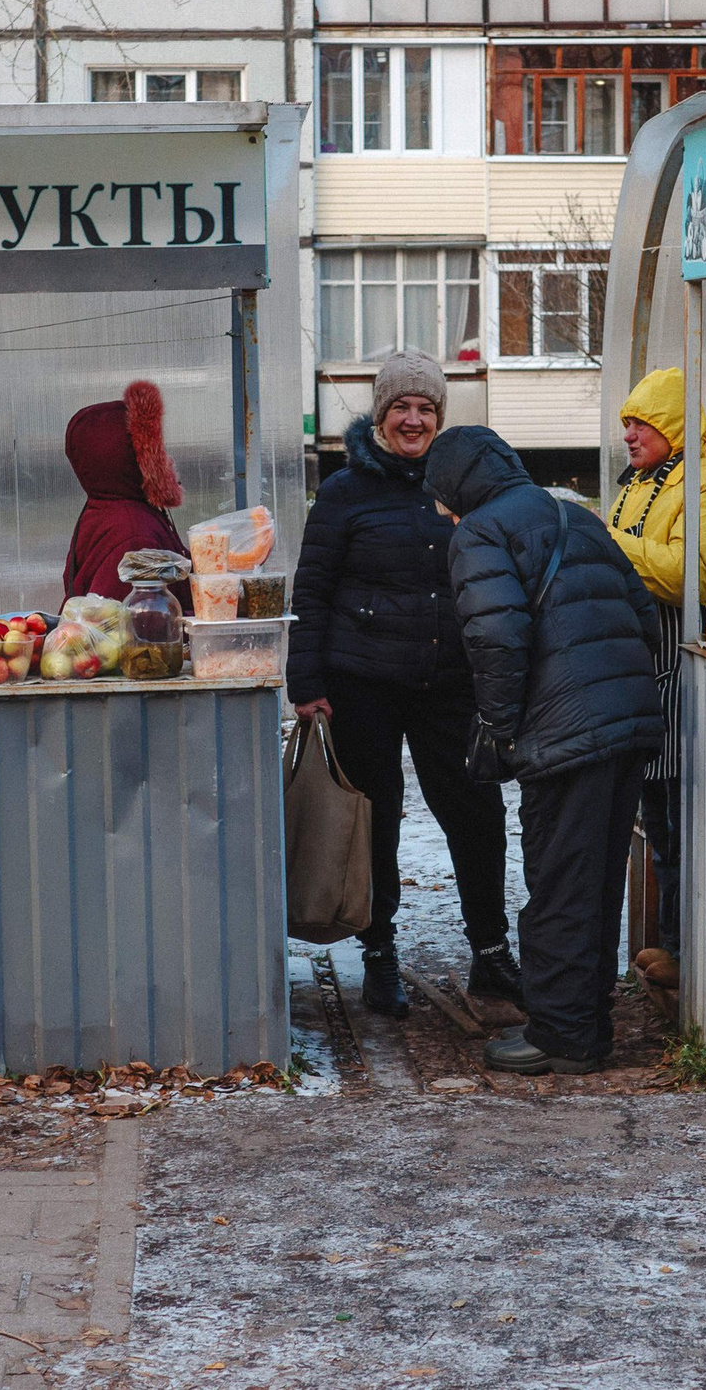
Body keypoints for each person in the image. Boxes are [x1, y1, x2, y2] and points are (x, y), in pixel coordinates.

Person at [423, 425, 664, 1076]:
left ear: (456, 487)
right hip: (627, 720)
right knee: (597, 879)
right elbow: (642, 613)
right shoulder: (571, 514)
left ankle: (560, 1033)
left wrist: (502, 729)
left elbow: (497, 640)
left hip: (564, 728)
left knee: (558, 880)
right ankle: (589, 1022)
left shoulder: (480, 532)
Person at [288, 354, 519, 1019]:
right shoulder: (345, 491)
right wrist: (306, 679)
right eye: (402, 407)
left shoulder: (463, 484)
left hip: (451, 682)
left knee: (477, 814)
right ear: (381, 415)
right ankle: (380, 954)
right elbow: (314, 587)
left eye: (426, 408)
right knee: (375, 820)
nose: (414, 418)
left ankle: (491, 950)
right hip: (363, 681)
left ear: (440, 418)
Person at [605, 367, 706, 992]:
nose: (630, 434)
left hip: (685, 670)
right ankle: (673, 945)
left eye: (640, 422)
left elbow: (695, 577)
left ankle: (692, 955)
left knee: (687, 821)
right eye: (627, 424)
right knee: (661, 820)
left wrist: (607, 545)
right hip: (645, 670)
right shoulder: (641, 482)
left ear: (669, 425)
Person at [61, 379, 189, 602]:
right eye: (158, 451)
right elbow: (133, 625)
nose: (169, 459)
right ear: (136, 460)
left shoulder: (107, 506)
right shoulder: (134, 531)